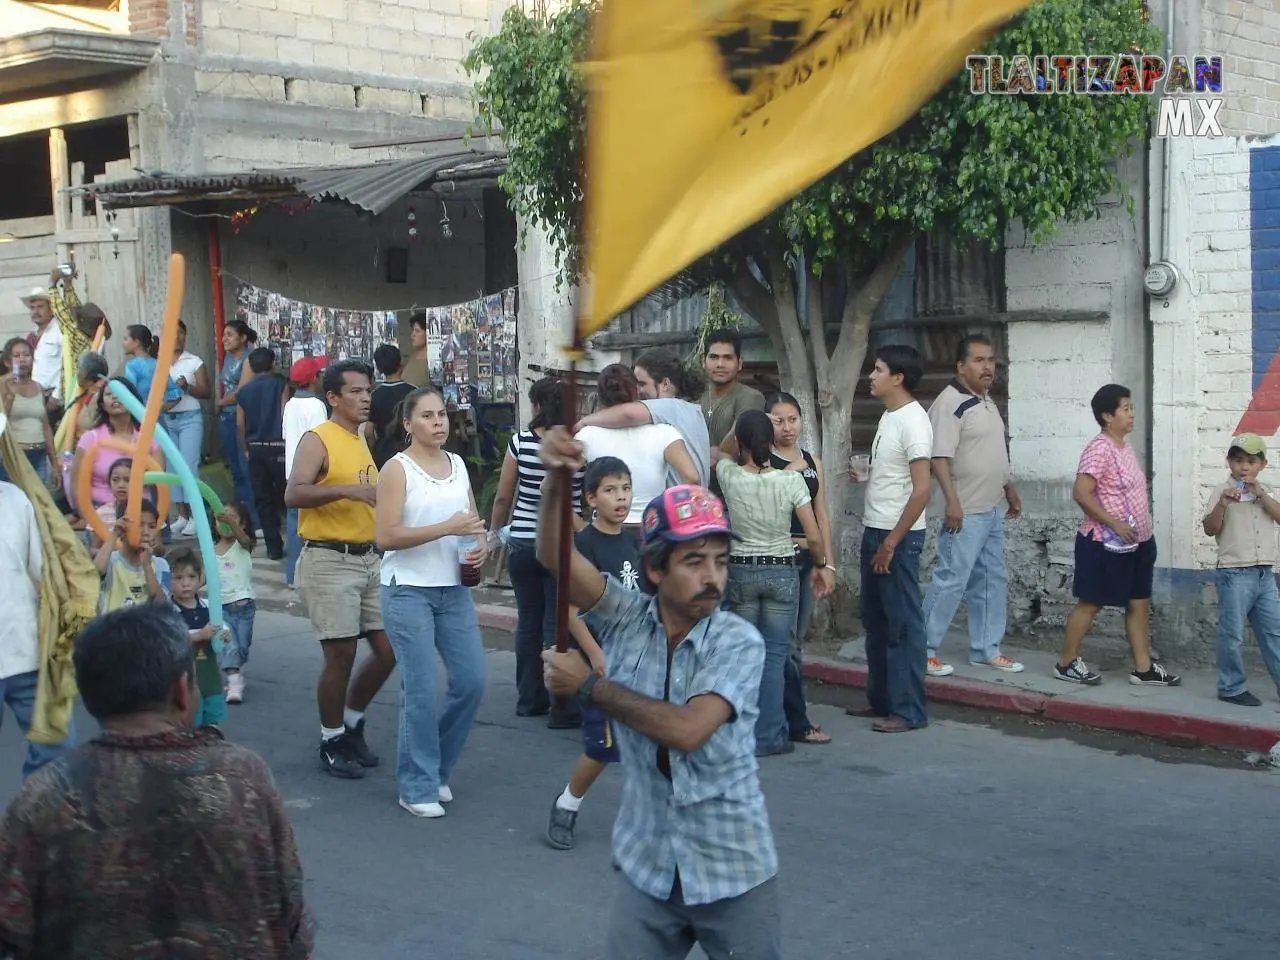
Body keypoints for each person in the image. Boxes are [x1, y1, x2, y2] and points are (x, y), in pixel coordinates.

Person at [537, 429, 782, 960]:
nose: (713, 577)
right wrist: (558, 481)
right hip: (647, 868)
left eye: (720, 560)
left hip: (732, 869)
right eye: (695, 562)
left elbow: (689, 731)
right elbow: (558, 559)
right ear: (654, 568)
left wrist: (589, 687)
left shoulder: (739, 641)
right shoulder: (627, 616)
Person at [0, 604, 314, 958]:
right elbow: (292, 915)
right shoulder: (243, 778)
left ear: (90, 697)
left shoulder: (44, 797)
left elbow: (12, 927)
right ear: (183, 691)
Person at [376, 386, 488, 818]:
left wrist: (480, 544)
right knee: (420, 689)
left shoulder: (457, 464)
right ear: (408, 424)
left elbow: (472, 522)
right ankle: (417, 784)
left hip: (453, 588)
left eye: (442, 414)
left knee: (472, 681)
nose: (438, 422)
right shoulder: (397, 469)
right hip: (408, 590)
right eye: (427, 416)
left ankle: (435, 765)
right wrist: (445, 528)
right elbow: (385, 537)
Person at [285, 359, 397, 779]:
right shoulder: (319, 439)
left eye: (368, 390)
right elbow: (293, 493)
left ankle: (351, 723)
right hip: (329, 559)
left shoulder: (361, 436)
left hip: (369, 558)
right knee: (341, 654)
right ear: (332, 397)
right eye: (355, 391)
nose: (365, 398)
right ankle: (331, 740)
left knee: (389, 651)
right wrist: (349, 490)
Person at [718, 410, 831, 756]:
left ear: (741, 441)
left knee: (743, 656)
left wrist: (741, 426)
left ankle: (739, 734)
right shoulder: (790, 481)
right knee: (774, 656)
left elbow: (720, 451)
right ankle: (769, 736)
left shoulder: (729, 475)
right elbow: (813, 535)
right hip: (782, 571)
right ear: (769, 441)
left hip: (740, 571)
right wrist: (823, 563)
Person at [1054, 384, 1180, 687]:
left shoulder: (1125, 447)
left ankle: (1143, 668)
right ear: (1107, 416)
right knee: (1091, 602)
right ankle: (1066, 663)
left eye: (1131, 408)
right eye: (1125, 408)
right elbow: (1081, 494)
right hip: (1104, 543)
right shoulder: (1100, 448)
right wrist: (1115, 524)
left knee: (1139, 602)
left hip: (1138, 542)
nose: (1131, 414)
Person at [546, 457, 639, 851]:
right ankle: (567, 804)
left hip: (638, 657)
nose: (620, 498)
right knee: (603, 745)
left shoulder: (637, 540)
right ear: (591, 499)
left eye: (625, 488)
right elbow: (569, 612)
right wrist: (595, 653)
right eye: (610, 490)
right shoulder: (583, 547)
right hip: (601, 662)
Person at [922, 334, 1025, 677]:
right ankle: (921, 649)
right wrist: (952, 503)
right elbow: (939, 459)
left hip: (992, 507)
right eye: (979, 360)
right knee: (951, 579)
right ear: (960, 366)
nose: (987, 367)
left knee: (990, 580)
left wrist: (1008, 489)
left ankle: (985, 649)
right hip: (964, 511)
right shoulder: (950, 403)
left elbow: (994, 452)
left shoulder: (986, 401)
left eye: (991, 360)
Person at [845, 345, 933, 733]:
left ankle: (909, 710)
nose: (871, 375)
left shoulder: (914, 421)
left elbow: (922, 490)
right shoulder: (889, 416)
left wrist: (891, 543)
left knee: (902, 626)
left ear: (898, 377)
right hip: (876, 526)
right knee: (877, 621)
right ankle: (881, 700)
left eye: (878, 369)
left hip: (897, 535)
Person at [487, 377, 584, 724]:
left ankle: (529, 699)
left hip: (524, 543)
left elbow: (503, 495)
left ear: (539, 405)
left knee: (527, 621)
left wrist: (494, 535)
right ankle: (561, 703)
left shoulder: (520, 442)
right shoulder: (576, 445)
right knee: (555, 624)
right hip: (562, 544)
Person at [766, 392, 836, 745]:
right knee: (785, 642)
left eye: (792, 419)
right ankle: (794, 720)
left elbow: (822, 515)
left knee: (795, 640)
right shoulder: (761, 462)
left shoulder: (812, 462)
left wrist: (828, 564)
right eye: (778, 420)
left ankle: (784, 714)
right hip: (777, 560)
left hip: (810, 560)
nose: (787, 427)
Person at [0, 476, 72, 779]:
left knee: (57, 759)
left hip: (27, 653)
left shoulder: (15, 499)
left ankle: (41, 825)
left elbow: (43, 572)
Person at [1202, 433, 1280, 706]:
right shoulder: (1220, 491)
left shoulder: (1265, 491)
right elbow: (1210, 529)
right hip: (1235, 573)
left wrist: (1262, 496)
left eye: (1250, 461)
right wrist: (1223, 504)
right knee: (1232, 635)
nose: (1244, 467)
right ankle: (1231, 687)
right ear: (1229, 462)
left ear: (1262, 464)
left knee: (1275, 632)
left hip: (1265, 574)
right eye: (1238, 461)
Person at [576, 364, 699, 531]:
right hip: (651, 529)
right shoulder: (665, 432)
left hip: (604, 530)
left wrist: (581, 527)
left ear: (600, 394)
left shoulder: (586, 435)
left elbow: (553, 487)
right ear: (636, 391)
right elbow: (692, 478)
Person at [574, 348, 711, 487]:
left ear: (665, 384)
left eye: (642, 384)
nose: (637, 390)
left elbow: (628, 414)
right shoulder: (689, 409)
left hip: (681, 505)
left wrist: (585, 421)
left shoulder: (669, 406)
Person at [70, 376, 162, 516]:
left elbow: (160, 482)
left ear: (132, 399)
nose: (115, 397)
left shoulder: (149, 438)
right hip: (101, 515)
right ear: (102, 404)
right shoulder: (90, 439)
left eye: (121, 393)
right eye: (108, 394)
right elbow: (75, 486)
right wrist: (90, 520)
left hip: (142, 515)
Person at [236, 347, 290, 560]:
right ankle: (296, 540)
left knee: (263, 499)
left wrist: (246, 447)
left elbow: (240, 423)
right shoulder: (280, 385)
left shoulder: (244, 392)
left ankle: (273, 547)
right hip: (279, 446)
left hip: (256, 447)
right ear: (273, 363)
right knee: (288, 496)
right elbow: (285, 412)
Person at [167, 546, 228, 729]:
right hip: (184, 682)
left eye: (191, 577)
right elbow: (172, 640)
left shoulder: (208, 606)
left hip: (210, 678)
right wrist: (199, 635)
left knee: (213, 725)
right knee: (190, 727)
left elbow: (221, 627)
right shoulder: (169, 610)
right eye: (178, 578)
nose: (186, 583)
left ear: (201, 578)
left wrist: (225, 634)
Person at [282, 355, 329, 591]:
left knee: (293, 526)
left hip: (291, 472)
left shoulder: (290, 405)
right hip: (312, 473)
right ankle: (311, 576)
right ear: (314, 379)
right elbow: (323, 440)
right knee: (314, 527)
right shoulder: (317, 406)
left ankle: (292, 576)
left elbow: (285, 436)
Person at [700, 330, 765, 494]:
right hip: (694, 492)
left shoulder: (751, 397)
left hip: (735, 494)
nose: (720, 364)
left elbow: (735, 444)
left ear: (740, 363)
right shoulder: (693, 397)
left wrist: (700, 454)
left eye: (727, 358)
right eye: (713, 357)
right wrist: (708, 454)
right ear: (703, 361)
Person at [165, 320, 212, 537]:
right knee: (172, 468)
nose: (177, 337)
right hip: (167, 419)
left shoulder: (194, 361)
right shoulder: (159, 360)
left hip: (190, 418)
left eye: (181, 333)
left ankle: (196, 516)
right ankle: (182, 516)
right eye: (172, 333)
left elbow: (206, 392)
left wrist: (187, 387)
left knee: (190, 466)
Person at [217, 319, 261, 531]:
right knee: (235, 471)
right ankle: (240, 518)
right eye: (223, 334)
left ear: (243, 338)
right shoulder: (228, 358)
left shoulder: (248, 359)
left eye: (229, 335)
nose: (224, 339)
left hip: (241, 418)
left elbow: (241, 391)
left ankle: (255, 520)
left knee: (246, 471)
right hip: (226, 418)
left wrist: (219, 403)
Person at [215, 502, 258, 705]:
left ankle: (236, 673)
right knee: (229, 645)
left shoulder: (243, 545)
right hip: (221, 609)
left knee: (242, 647)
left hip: (245, 608)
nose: (224, 522)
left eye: (232, 517)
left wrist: (232, 524)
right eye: (220, 518)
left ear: (242, 523)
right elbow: (203, 576)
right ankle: (234, 685)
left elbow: (243, 538)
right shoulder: (211, 550)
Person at [94, 498, 170, 611]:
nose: (146, 531)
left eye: (152, 526)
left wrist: (147, 566)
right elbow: (97, 571)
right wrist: (115, 534)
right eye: (140, 524)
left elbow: (162, 605)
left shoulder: (160, 564)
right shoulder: (110, 561)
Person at [0, 339, 57, 485]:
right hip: (13, 455)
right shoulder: (2, 384)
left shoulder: (37, 387)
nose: (22, 359)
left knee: (39, 503)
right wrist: (10, 395)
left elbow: (45, 427)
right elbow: (2, 420)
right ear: (7, 361)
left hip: (39, 454)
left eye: (26, 355)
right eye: (17, 355)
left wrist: (55, 464)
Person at [366, 343, 416, 469]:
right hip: (411, 450)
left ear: (379, 368)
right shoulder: (414, 392)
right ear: (400, 363)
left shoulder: (374, 396)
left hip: (384, 452)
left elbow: (368, 432)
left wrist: (374, 452)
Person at [20, 286, 62, 417]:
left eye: (40, 307)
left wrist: (57, 396)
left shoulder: (60, 332)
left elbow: (69, 365)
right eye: (32, 308)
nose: (35, 311)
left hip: (54, 399)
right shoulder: (31, 337)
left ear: (51, 309)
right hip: (36, 399)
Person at [120, 324, 182, 410]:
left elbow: (130, 395)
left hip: (139, 418)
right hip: (159, 421)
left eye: (125, 339)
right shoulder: (159, 364)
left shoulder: (132, 366)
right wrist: (158, 410)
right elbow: (176, 395)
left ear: (137, 342)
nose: (123, 343)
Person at [401, 310, 430, 388]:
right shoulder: (413, 352)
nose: (412, 335)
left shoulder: (433, 359)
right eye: (413, 330)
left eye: (417, 331)